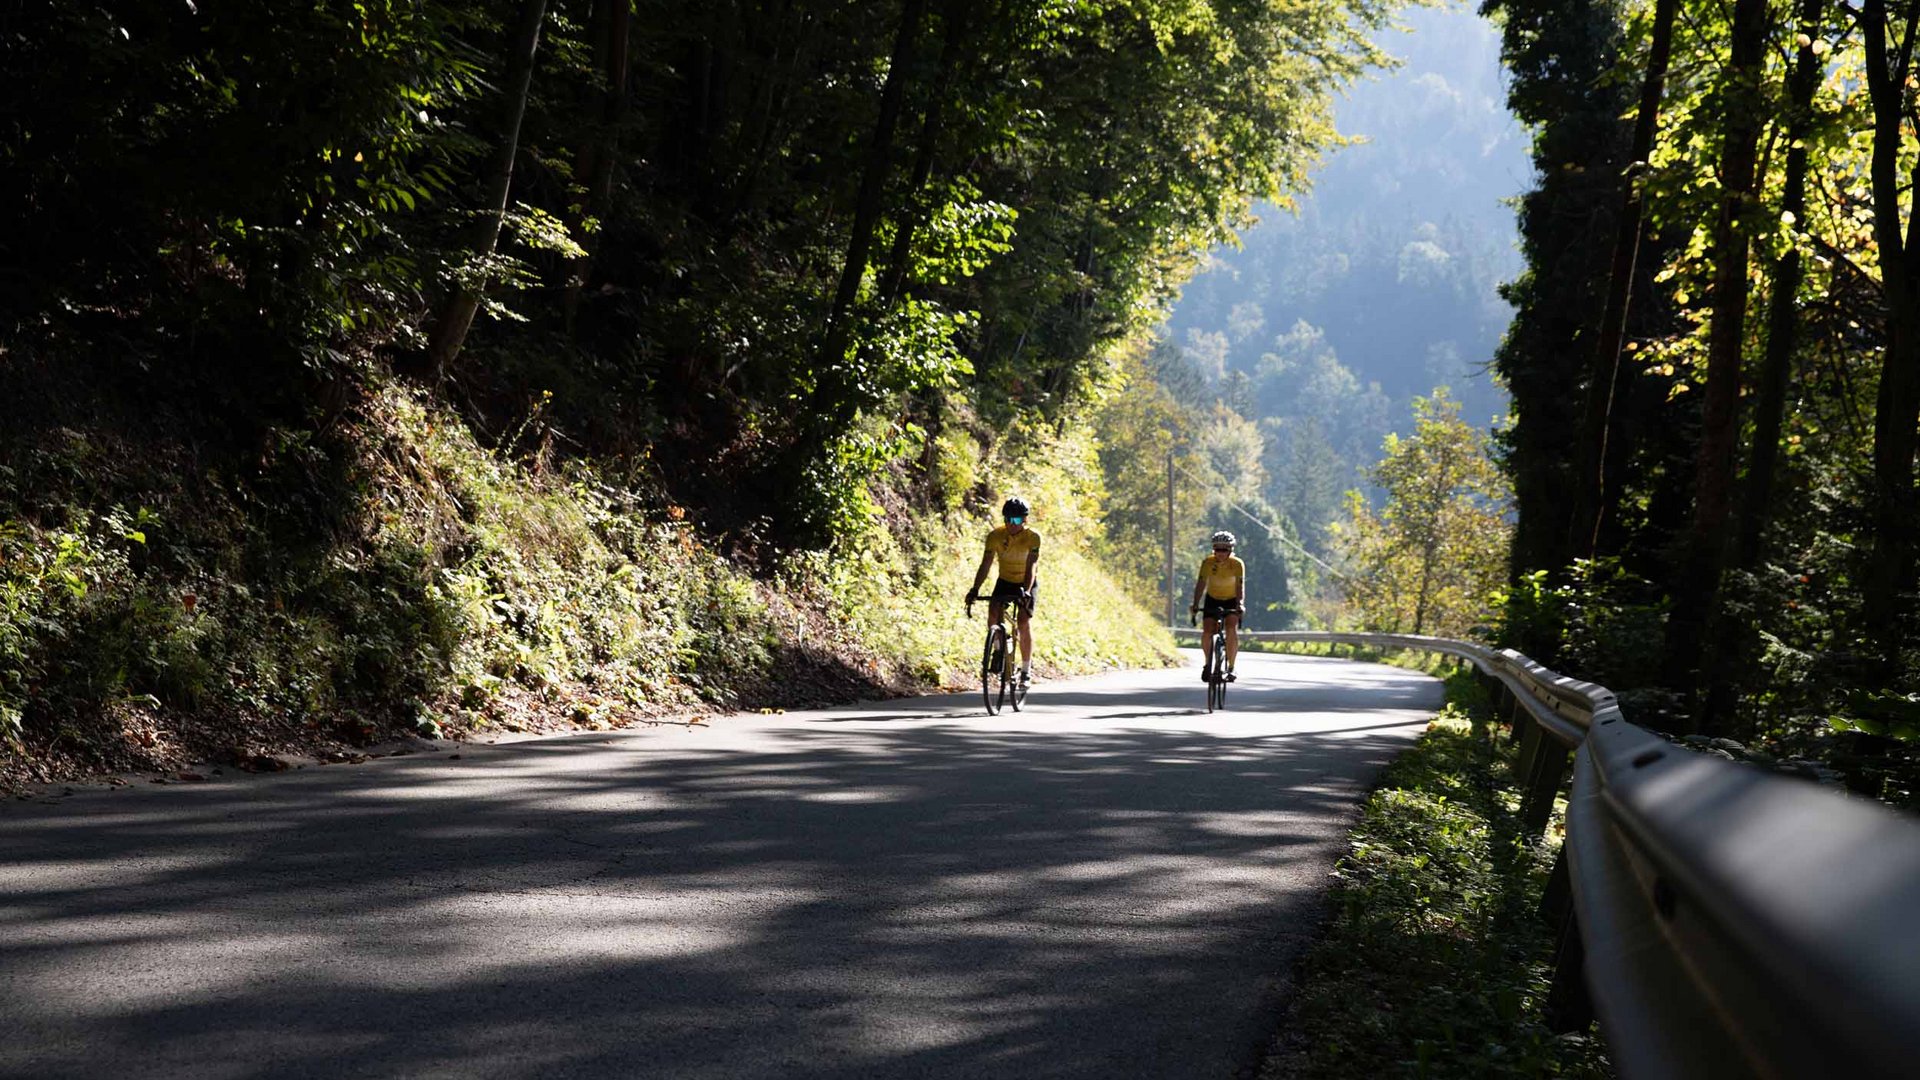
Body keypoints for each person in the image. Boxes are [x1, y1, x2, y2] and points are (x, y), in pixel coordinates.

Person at [966, 496, 1040, 685]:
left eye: (1015, 520)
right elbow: (986, 565)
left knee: (1023, 622)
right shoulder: (995, 536)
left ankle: (1025, 669)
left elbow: (1032, 566)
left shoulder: (1033, 538)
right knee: (993, 614)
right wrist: (975, 588)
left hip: (1026, 581)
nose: (1011, 524)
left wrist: (1027, 590)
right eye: (1007, 519)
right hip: (1005, 580)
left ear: (1025, 520)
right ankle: (999, 650)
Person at [1190, 530, 1245, 681]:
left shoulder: (1237, 564)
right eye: (1217, 549)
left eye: (1224, 549)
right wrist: (1195, 604)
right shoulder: (1207, 563)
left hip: (1231, 599)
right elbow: (1201, 584)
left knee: (1230, 628)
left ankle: (1231, 667)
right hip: (1212, 599)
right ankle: (1208, 664)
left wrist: (1240, 604)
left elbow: (1240, 586)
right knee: (1208, 631)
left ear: (1230, 550)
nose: (1220, 552)